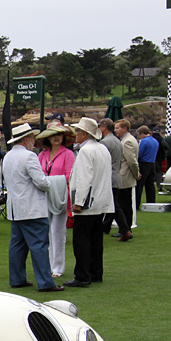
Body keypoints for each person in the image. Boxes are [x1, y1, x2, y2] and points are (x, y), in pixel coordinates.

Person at [2, 124, 63, 292]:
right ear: (26, 139)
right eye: (32, 139)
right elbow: (41, 182)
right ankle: (45, 282)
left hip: (16, 208)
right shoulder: (29, 156)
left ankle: (17, 278)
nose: (34, 142)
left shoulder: (7, 157)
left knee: (17, 246)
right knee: (39, 246)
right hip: (32, 208)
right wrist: (54, 183)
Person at [66, 118, 113, 288]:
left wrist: (79, 202)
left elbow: (85, 178)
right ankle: (95, 272)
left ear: (84, 133)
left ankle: (82, 275)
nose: (75, 134)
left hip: (87, 203)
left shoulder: (86, 151)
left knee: (81, 240)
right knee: (95, 240)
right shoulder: (102, 149)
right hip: (100, 202)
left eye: (77, 131)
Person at [35, 120, 76, 278]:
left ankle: (57, 267)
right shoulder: (42, 155)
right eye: (53, 135)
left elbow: (69, 176)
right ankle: (46, 264)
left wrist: (49, 182)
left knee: (58, 232)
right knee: (45, 232)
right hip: (44, 197)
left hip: (60, 198)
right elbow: (37, 174)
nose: (56, 137)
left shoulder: (68, 154)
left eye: (59, 134)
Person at [98, 119, 131, 241]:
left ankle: (125, 230)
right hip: (116, 175)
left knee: (113, 206)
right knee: (112, 205)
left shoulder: (104, 143)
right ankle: (106, 227)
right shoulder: (118, 141)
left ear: (104, 127)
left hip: (108, 177)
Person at [113, 119, 139, 240]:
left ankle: (125, 228)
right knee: (125, 203)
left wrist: (136, 173)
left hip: (125, 176)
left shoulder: (126, 142)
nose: (115, 130)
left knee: (123, 204)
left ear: (125, 128)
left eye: (118, 128)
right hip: (126, 176)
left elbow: (131, 161)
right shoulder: (128, 139)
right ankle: (125, 228)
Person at [136, 125, 159, 207]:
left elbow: (139, 153)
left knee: (139, 185)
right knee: (150, 184)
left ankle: (136, 204)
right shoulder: (155, 141)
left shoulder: (143, 141)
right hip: (152, 163)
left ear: (142, 133)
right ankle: (151, 202)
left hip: (144, 163)